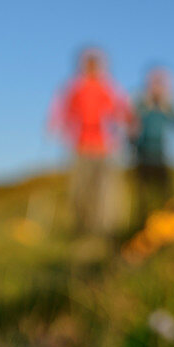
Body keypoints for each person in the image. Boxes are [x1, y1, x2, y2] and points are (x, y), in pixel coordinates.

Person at [49, 47, 131, 236]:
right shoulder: (73, 88)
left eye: (96, 63)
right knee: (81, 190)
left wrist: (123, 124)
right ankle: (82, 227)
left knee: (105, 191)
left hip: (105, 147)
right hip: (80, 146)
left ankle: (105, 229)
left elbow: (123, 110)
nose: (92, 67)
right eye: (89, 63)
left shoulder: (110, 88)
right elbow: (60, 111)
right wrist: (56, 126)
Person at [129, 67, 174, 219]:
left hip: (161, 154)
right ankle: (142, 222)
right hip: (141, 154)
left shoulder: (169, 106)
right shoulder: (140, 103)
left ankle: (168, 222)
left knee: (167, 192)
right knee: (141, 194)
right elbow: (129, 122)